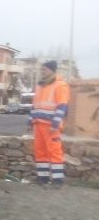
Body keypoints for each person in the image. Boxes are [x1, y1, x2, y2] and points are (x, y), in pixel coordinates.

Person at [29, 60, 70, 188]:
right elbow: (35, 105)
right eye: (41, 70)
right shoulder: (40, 86)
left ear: (52, 70)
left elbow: (62, 106)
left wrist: (55, 124)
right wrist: (30, 120)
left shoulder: (60, 85)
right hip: (38, 124)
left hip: (51, 125)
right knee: (40, 151)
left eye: (44, 70)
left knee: (54, 152)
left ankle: (58, 181)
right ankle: (43, 178)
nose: (42, 72)